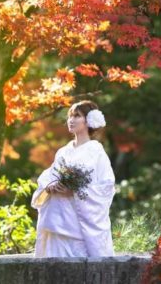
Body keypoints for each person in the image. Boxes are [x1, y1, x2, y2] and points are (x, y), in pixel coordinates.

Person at [31, 100, 115, 258]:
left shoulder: (96, 151)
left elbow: (106, 188)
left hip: (78, 224)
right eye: (70, 116)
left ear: (88, 120)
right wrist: (50, 186)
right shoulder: (64, 151)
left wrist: (76, 191)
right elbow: (49, 177)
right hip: (57, 219)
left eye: (77, 116)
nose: (71, 120)